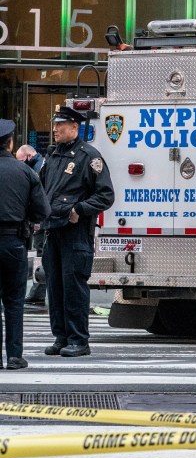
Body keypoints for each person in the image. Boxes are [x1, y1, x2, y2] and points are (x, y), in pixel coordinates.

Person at [38, 106, 114, 358]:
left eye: (61, 125)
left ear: (74, 127)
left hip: (75, 231)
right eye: (55, 124)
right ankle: (61, 337)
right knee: (55, 287)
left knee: (73, 286)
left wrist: (80, 208)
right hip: (52, 230)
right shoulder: (52, 156)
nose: (55, 129)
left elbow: (105, 195)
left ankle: (79, 340)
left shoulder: (88, 157)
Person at [0, 121, 50, 370]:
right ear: (10, 143)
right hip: (14, 242)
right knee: (14, 301)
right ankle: (14, 356)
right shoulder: (26, 172)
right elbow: (42, 211)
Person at [16, 144, 47, 306]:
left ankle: (38, 293)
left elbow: (38, 197)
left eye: (21, 161)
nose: (19, 165)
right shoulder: (42, 164)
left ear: (28, 156)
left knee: (42, 255)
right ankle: (38, 292)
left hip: (42, 221)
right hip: (43, 219)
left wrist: (37, 220)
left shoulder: (36, 170)